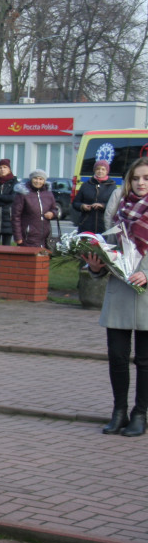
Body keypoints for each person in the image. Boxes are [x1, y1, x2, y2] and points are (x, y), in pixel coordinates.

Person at [86, 157, 148, 437]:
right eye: (136, 178)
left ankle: (140, 414)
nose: (141, 183)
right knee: (117, 357)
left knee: (145, 361)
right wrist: (96, 266)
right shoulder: (119, 211)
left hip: (146, 295)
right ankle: (119, 411)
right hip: (119, 292)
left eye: (146, 178)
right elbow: (108, 251)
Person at [11, 168, 58, 248]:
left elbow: (55, 209)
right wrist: (18, 237)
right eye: (35, 178)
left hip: (45, 238)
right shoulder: (23, 193)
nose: (38, 181)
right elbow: (15, 216)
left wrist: (52, 213)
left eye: (41, 179)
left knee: (43, 260)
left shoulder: (48, 194)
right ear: (31, 179)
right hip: (28, 237)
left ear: (44, 181)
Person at [73, 160, 117, 234]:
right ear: (94, 170)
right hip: (86, 224)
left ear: (107, 171)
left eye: (103, 169)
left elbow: (116, 205)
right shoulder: (86, 185)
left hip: (103, 224)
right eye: (98, 169)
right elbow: (75, 203)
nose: (100, 171)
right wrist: (82, 206)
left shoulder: (112, 186)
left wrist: (103, 206)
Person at [0, 159, 18, 245]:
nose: (2, 169)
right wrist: (4, 200)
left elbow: (12, 198)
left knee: (6, 247)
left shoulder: (14, 183)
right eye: (0, 167)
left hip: (8, 218)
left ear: (9, 169)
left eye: (5, 167)